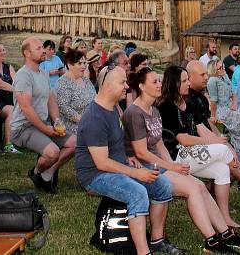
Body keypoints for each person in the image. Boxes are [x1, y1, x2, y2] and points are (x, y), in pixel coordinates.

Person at [124, 67, 240, 254]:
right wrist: (170, 166)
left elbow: (159, 145)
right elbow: (141, 153)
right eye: (154, 82)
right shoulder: (135, 113)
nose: (160, 84)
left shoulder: (153, 110)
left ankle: (224, 233)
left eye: (159, 81)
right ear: (142, 86)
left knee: (199, 185)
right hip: (144, 167)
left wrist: (173, 166)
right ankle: (211, 239)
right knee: (193, 189)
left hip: (160, 163)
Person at [75, 65, 181, 255]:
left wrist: (128, 157)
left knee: (162, 184)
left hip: (116, 166)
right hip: (95, 175)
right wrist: (136, 172)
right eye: (122, 82)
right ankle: (143, 251)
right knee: (138, 192)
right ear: (107, 86)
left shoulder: (113, 108)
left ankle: (157, 240)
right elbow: (102, 163)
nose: (126, 86)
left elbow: (115, 144)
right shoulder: (94, 117)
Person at [158, 65, 240, 228]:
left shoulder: (187, 102)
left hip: (192, 153)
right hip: (176, 157)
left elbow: (201, 129)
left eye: (188, 79)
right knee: (223, 152)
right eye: (184, 81)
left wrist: (219, 140)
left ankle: (224, 216)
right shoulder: (166, 106)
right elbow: (182, 139)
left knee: (222, 169)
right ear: (174, 84)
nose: (188, 83)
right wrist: (220, 146)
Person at [185, 60, 240, 196]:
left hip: (211, 139)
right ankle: (237, 183)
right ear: (190, 77)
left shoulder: (201, 97)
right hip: (198, 144)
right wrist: (221, 144)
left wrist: (222, 139)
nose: (206, 77)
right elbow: (199, 130)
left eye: (206, 73)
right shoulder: (186, 100)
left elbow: (209, 123)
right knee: (233, 165)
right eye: (202, 74)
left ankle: (210, 192)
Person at [11, 37, 75, 193]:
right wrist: (46, 129)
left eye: (42, 47)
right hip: (24, 127)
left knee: (75, 143)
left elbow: (51, 100)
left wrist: (57, 121)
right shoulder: (23, 76)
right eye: (39, 48)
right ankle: (35, 172)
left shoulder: (43, 74)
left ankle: (46, 173)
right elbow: (26, 108)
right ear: (27, 53)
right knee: (53, 153)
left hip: (42, 124)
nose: (44, 51)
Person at [55, 49, 96, 137]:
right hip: (73, 124)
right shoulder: (63, 83)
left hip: (91, 120)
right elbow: (64, 108)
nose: (84, 66)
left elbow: (95, 98)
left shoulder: (85, 80)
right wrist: (85, 121)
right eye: (80, 63)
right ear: (70, 65)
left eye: (84, 63)